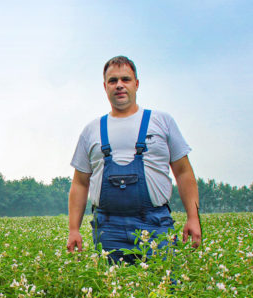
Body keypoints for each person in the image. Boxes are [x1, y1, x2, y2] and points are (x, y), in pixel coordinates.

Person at [67, 56, 201, 263]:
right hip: (108, 227)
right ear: (105, 87)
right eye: (113, 81)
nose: (119, 85)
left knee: (164, 290)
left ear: (136, 84)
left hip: (155, 223)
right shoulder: (91, 131)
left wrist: (193, 217)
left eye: (125, 79)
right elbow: (79, 182)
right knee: (113, 291)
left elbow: (183, 172)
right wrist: (73, 229)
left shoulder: (162, 122)